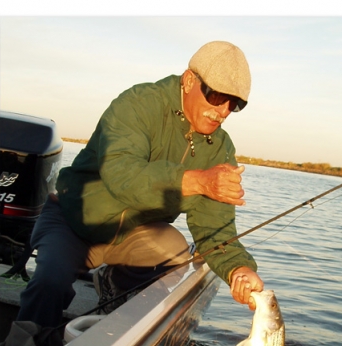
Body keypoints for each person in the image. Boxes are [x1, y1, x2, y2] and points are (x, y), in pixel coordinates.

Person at [17, 40, 264, 328]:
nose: (222, 111)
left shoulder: (221, 149)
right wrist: (197, 181)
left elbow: (215, 227)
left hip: (132, 238)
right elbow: (122, 174)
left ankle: (114, 289)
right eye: (217, 96)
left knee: (174, 249)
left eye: (235, 104)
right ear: (188, 81)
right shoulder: (138, 103)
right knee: (50, 283)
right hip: (73, 222)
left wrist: (239, 268)